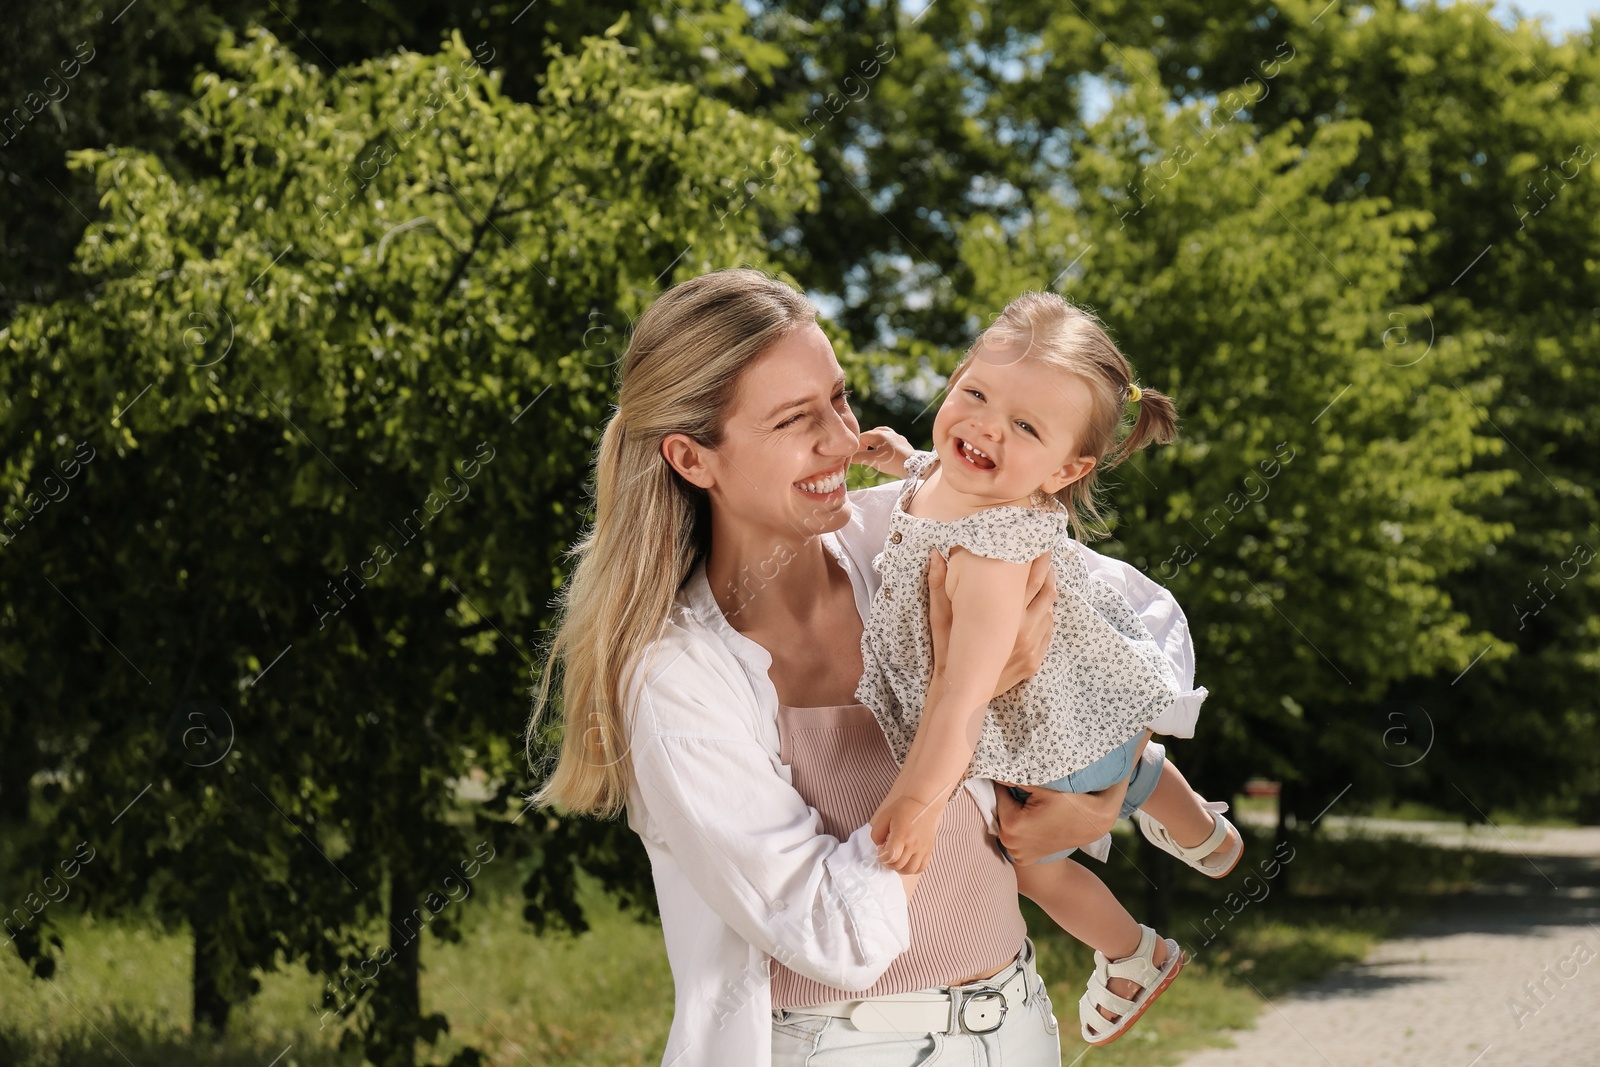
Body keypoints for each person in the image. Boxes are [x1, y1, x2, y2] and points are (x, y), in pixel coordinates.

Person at [530, 269, 1203, 1065]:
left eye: (838, 399)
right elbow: (835, 934)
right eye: (793, 420)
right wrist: (962, 714)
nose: (842, 440)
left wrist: (1097, 799)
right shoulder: (677, 677)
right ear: (692, 457)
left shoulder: (913, 539)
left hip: (1015, 1026)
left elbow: (1136, 628)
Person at [853, 291, 1242, 1046]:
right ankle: (1207, 835)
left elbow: (962, 696)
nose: (986, 426)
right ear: (957, 376)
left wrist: (917, 797)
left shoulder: (991, 557)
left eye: (1025, 426)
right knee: (1130, 765)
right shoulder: (963, 476)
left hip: (1050, 737)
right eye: (975, 393)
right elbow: (935, 478)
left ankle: (1135, 952)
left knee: (1031, 863)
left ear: (1067, 468)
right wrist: (902, 458)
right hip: (1090, 705)